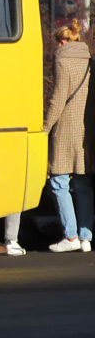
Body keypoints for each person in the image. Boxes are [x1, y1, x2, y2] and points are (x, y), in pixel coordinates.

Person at [43, 19, 94, 253]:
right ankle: (86, 237)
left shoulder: (63, 60)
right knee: (83, 183)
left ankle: (70, 236)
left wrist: (45, 127)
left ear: (63, 41)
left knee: (58, 181)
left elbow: (57, 98)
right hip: (87, 128)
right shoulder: (89, 60)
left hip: (66, 129)